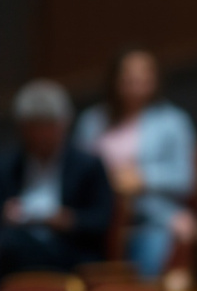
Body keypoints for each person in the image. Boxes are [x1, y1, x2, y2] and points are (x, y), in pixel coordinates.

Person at [73, 46, 197, 278]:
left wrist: (143, 178)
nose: (136, 79)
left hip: (151, 218)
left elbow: (185, 178)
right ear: (115, 77)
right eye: (128, 73)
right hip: (100, 218)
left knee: (146, 269)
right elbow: (76, 171)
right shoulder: (91, 121)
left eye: (144, 72)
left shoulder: (173, 121)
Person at [0, 80, 113, 278]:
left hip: (68, 250)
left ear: (64, 123)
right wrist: (6, 213)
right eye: (33, 126)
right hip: (17, 243)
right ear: (22, 128)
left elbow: (103, 220)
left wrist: (69, 220)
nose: (41, 135)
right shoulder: (8, 165)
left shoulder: (88, 165)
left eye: (48, 126)